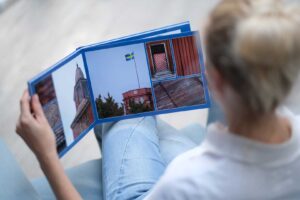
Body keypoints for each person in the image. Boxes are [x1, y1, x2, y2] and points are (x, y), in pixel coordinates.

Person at [16, 0, 300, 199]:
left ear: (216, 81)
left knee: (122, 113)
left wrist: (46, 156)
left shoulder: (188, 181)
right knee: (134, 105)